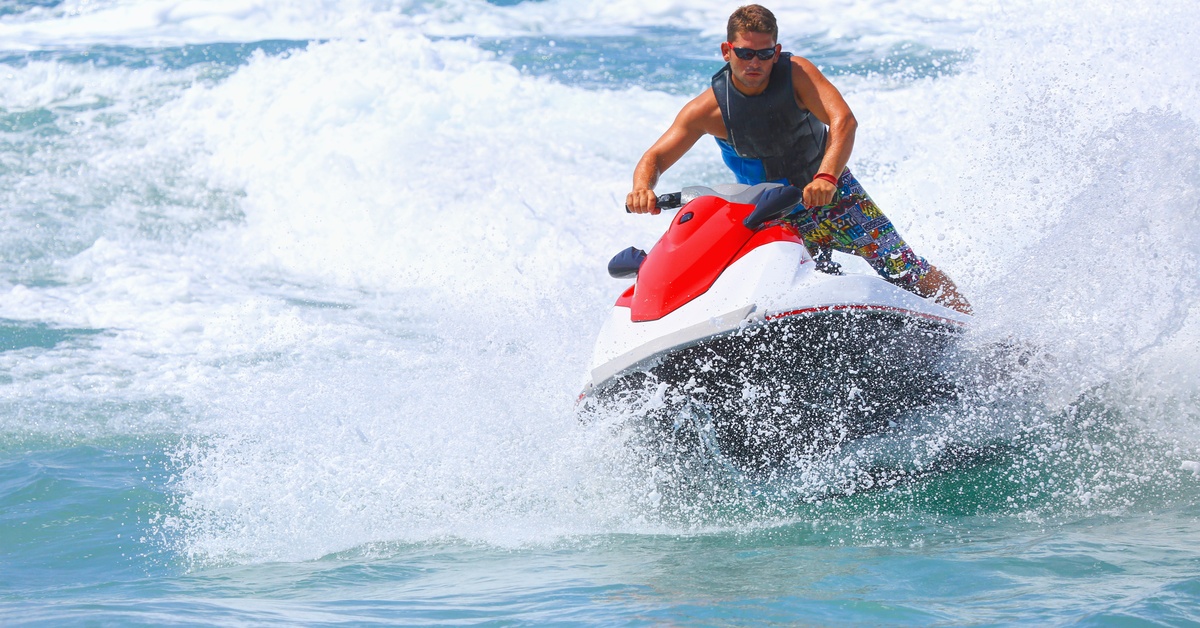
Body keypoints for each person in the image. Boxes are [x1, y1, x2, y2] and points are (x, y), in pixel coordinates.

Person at [625, 4, 972, 315]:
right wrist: (642, 187)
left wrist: (827, 177)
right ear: (727, 51)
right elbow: (655, 156)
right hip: (771, 212)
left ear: (776, 52)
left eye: (763, 54)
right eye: (745, 54)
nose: (754, 63)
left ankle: (974, 329)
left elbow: (843, 121)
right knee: (774, 294)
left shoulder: (798, 76)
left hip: (833, 194)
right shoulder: (708, 110)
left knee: (902, 267)